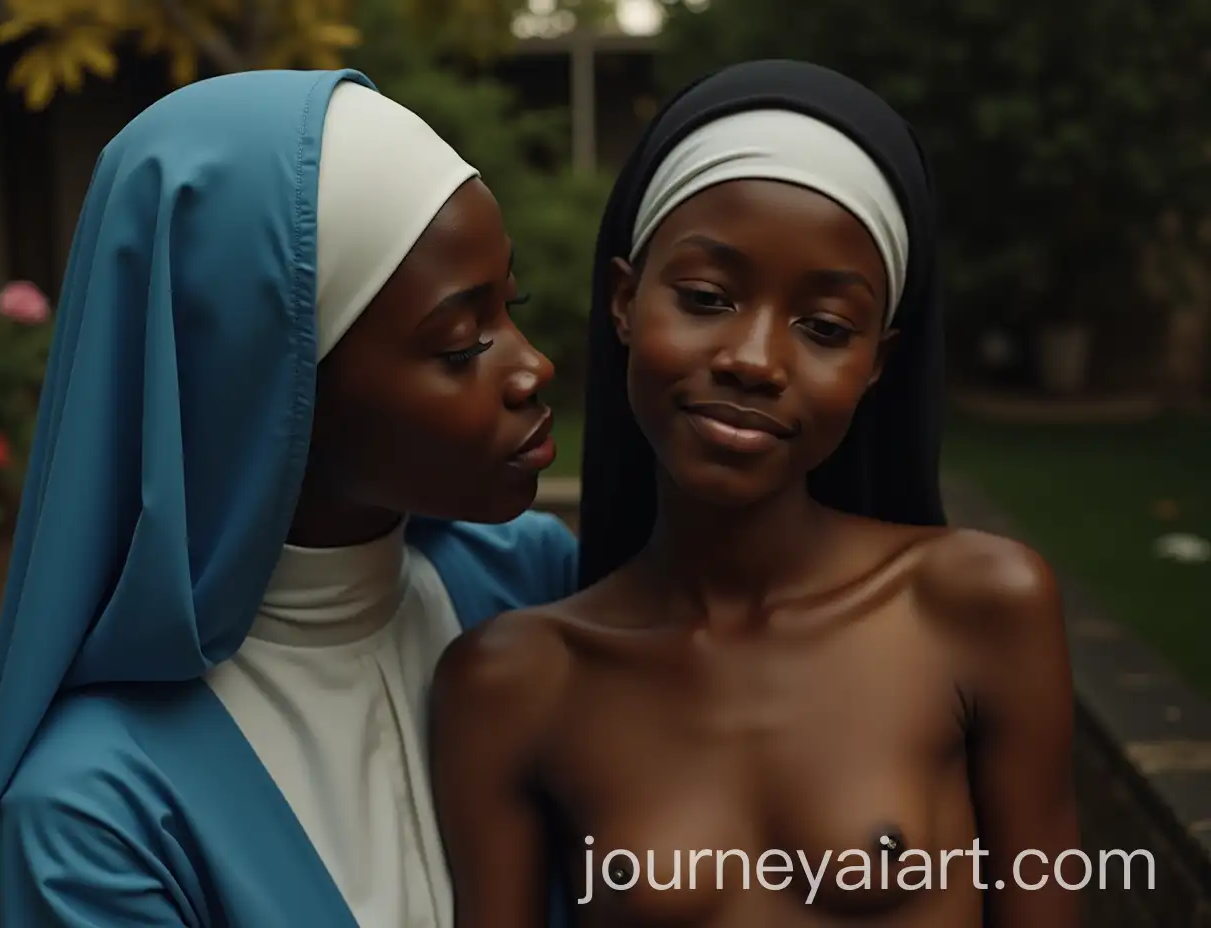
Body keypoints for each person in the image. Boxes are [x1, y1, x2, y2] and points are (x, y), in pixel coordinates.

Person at [431, 60, 1078, 927]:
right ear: (624, 301)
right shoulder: (515, 681)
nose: (755, 359)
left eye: (825, 327)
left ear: (875, 364)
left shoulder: (974, 609)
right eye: (705, 297)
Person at [0, 68, 576, 927]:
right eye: (460, 343)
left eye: (510, 308)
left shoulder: (534, 588)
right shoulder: (94, 819)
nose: (531, 367)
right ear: (268, 392)